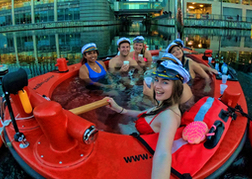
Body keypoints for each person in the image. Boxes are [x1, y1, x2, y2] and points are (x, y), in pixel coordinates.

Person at [104, 59, 190, 179]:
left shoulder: (169, 116)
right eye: (156, 80)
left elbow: (163, 154)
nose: (157, 86)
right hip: (134, 134)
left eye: (165, 82)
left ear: (176, 88)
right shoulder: (165, 105)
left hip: (135, 141)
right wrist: (120, 110)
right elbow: (145, 113)